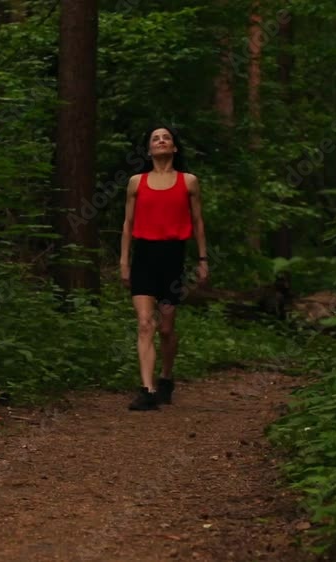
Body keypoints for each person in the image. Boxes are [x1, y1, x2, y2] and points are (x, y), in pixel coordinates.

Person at [120, 125, 208, 411]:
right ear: (148, 150)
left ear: (174, 147)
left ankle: (166, 377)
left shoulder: (188, 181)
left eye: (166, 138)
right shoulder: (136, 182)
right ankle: (147, 390)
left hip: (173, 257)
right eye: (155, 138)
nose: (160, 141)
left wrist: (203, 260)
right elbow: (128, 224)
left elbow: (198, 222)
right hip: (143, 256)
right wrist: (123, 261)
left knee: (167, 329)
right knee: (146, 323)